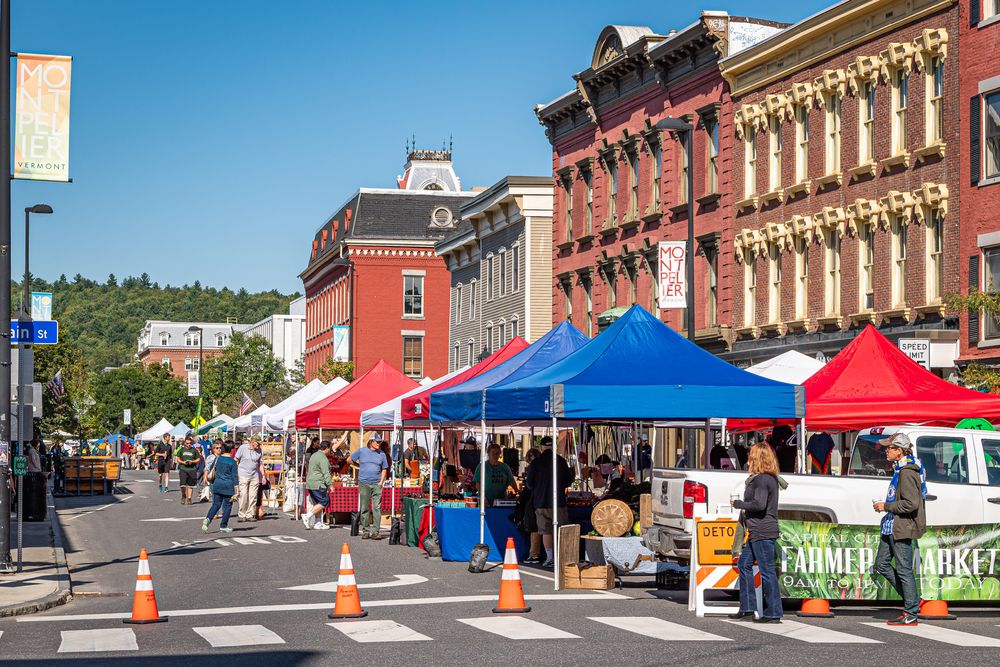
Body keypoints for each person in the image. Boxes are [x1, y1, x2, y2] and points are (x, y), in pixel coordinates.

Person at [873, 433, 927, 626]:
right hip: (891, 526)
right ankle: (912, 599)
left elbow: (911, 504)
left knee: (904, 570)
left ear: (899, 450)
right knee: (881, 564)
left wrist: (885, 507)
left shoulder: (907, 472)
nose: (886, 450)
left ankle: (911, 611)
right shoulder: (900, 469)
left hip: (901, 526)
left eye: (890, 447)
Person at [731, 443, 783, 623]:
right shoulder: (768, 478)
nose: (748, 460)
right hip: (757, 531)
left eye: (750, 456)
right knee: (744, 564)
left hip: (762, 530)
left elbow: (759, 505)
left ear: (757, 459)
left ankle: (773, 612)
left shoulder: (762, 480)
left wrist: (739, 504)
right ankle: (747, 607)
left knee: (767, 571)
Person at [524, 436, 575, 568]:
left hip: (541, 502)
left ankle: (550, 557)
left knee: (546, 531)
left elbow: (529, 484)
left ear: (541, 447)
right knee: (560, 530)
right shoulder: (561, 461)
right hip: (559, 502)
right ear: (553, 447)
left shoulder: (536, 463)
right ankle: (563, 557)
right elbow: (569, 480)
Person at [351, 432, 388, 539]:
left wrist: (381, 482)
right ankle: (366, 531)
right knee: (364, 507)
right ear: (371, 441)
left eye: (380, 442)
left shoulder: (382, 454)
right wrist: (359, 465)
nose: (378, 444)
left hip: (377, 484)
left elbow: (384, 468)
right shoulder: (362, 451)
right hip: (364, 483)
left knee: (377, 508)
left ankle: (375, 531)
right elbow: (350, 460)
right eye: (377, 442)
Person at [202, 441, 238, 533]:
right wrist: (237, 490)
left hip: (217, 484)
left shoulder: (218, 459)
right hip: (228, 486)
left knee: (216, 504)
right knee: (227, 506)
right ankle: (223, 525)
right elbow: (235, 477)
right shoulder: (233, 462)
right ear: (232, 450)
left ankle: (208, 519)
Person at [520, 448, 543, 563]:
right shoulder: (545, 466)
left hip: (535, 501)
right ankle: (546, 554)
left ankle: (534, 554)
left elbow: (529, 485)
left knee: (534, 527)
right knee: (544, 528)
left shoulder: (534, 467)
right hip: (544, 500)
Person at [303, 440, 332, 530]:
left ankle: (318, 522)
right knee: (325, 501)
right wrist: (330, 485)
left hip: (310, 482)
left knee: (317, 503)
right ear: (327, 448)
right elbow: (326, 473)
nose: (330, 450)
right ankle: (307, 516)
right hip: (318, 483)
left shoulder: (314, 455)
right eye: (329, 448)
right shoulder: (323, 458)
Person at [234, 437, 264, 522]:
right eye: (257, 443)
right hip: (243, 474)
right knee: (243, 495)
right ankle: (242, 514)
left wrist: (263, 476)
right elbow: (236, 459)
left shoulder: (259, 450)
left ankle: (250, 514)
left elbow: (260, 464)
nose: (259, 445)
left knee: (253, 496)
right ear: (253, 442)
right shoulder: (243, 448)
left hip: (254, 475)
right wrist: (235, 472)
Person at [175, 436, 203, 505]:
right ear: (185, 443)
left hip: (192, 469)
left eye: (190, 443)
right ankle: (183, 495)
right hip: (183, 468)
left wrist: (192, 462)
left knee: (190, 485)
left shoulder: (194, 450)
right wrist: (183, 462)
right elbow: (178, 458)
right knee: (183, 485)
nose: (189, 444)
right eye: (187, 443)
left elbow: (198, 459)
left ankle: (189, 498)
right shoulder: (182, 449)